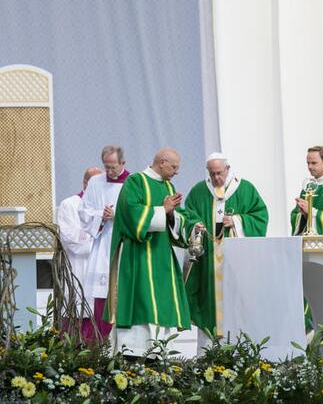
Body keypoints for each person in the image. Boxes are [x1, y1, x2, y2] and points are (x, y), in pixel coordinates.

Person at [107, 148, 204, 355]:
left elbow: (178, 216)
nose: (176, 172)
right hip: (139, 254)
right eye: (174, 167)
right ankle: (131, 352)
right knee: (141, 301)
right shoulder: (135, 182)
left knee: (160, 303)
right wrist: (163, 210)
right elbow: (130, 213)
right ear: (162, 162)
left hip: (161, 256)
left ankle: (157, 352)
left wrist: (189, 224)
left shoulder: (168, 186)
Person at [184, 152, 268, 344]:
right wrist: (195, 225)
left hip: (236, 260)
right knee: (208, 304)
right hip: (208, 261)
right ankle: (207, 351)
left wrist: (238, 221)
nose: (216, 178)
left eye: (219, 173)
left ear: (228, 169)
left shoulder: (245, 189)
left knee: (237, 302)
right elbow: (188, 214)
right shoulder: (199, 191)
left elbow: (260, 215)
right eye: (212, 173)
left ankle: (237, 346)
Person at [79, 146, 129, 341]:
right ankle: (100, 339)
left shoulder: (133, 182)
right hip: (103, 243)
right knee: (101, 295)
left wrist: (116, 216)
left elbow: (138, 213)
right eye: (106, 167)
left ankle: (122, 340)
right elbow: (84, 211)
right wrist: (102, 216)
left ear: (123, 164)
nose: (109, 172)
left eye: (113, 167)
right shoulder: (95, 182)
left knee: (122, 290)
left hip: (123, 243)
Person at [56, 166, 103, 339]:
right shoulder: (70, 204)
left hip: (102, 271)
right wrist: (97, 238)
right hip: (79, 269)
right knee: (75, 318)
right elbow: (71, 239)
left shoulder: (109, 207)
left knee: (102, 321)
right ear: (85, 183)